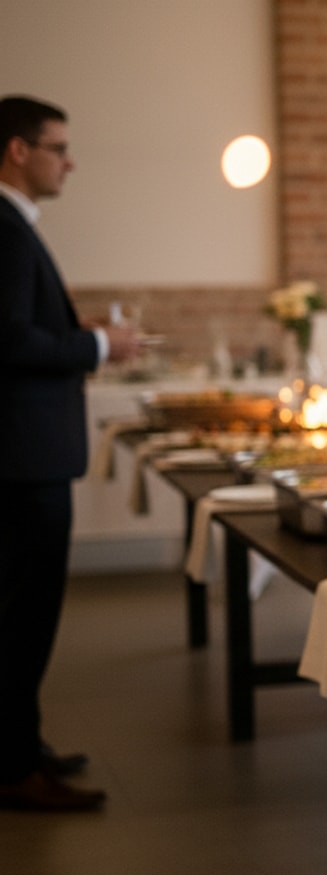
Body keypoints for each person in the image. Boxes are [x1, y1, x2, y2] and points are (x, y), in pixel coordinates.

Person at [0, 95, 138, 811]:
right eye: (58, 147)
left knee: (23, 615)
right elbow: (10, 341)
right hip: (21, 463)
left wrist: (75, 331)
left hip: (26, 457)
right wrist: (95, 345)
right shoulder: (4, 227)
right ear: (18, 151)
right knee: (22, 618)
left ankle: (19, 744)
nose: (70, 160)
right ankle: (14, 767)